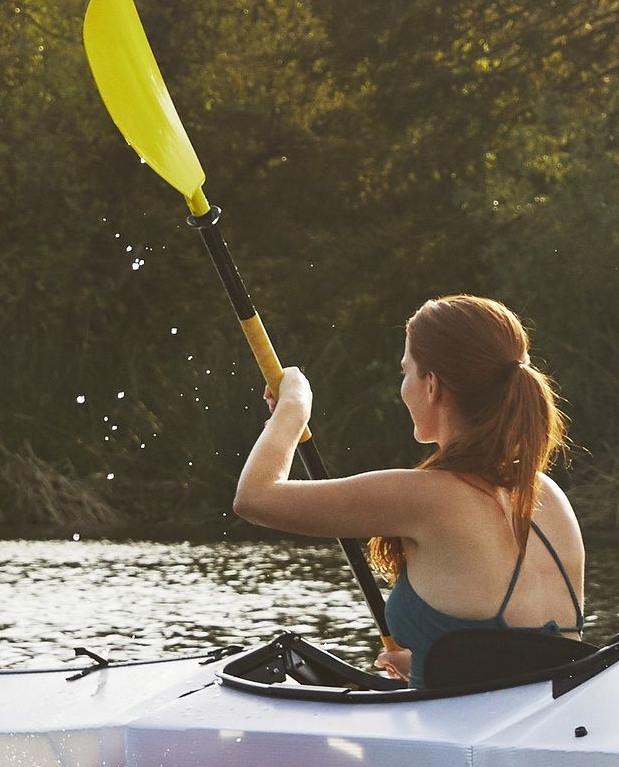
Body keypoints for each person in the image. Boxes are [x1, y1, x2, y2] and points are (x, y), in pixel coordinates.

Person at [232, 293, 584, 683]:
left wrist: (294, 408)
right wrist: (424, 663)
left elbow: (254, 497)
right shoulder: (549, 496)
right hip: (536, 724)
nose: (403, 387)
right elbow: (519, 660)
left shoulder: (427, 496)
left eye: (406, 372)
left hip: (466, 734)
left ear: (431, 385)